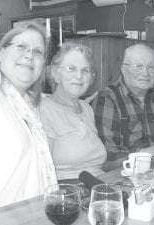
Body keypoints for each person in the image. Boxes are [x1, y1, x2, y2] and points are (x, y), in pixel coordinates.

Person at [0, 22, 57, 211]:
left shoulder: (29, 104)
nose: (29, 55)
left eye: (38, 52)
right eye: (21, 46)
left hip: (34, 216)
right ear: (1, 53)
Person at [92, 43, 154, 170]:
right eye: (138, 66)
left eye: (151, 67)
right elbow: (108, 159)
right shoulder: (107, 99)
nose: (145, 73)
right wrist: (148, 154)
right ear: (124, 69)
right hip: (123, 177)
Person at [40, 42, 107, 182]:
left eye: (85, 70)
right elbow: (42, 170)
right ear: (55, 73)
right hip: (67, 191)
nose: (79, 75)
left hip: (98, 184)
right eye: (71, 68)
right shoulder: (43, 109)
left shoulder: (87, 109)